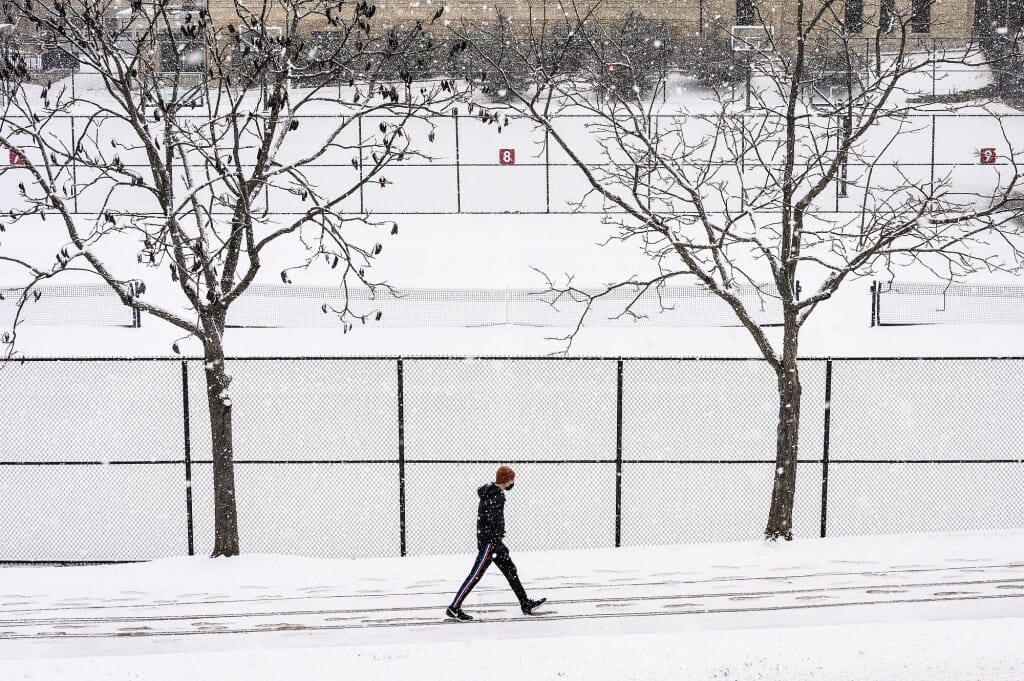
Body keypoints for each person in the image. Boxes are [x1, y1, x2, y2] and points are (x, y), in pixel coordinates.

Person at [445, 465, 546, 621]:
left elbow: (491, 516)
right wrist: (499, 532)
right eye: (511, 479)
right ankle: (454, 608)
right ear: (505, 480)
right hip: (489, 543)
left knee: (510, 570)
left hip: (494, 542)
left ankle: (525, 603)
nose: (512, 483)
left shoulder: (491, 492)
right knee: (475, 575)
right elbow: (494, 516)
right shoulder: (496, 495)